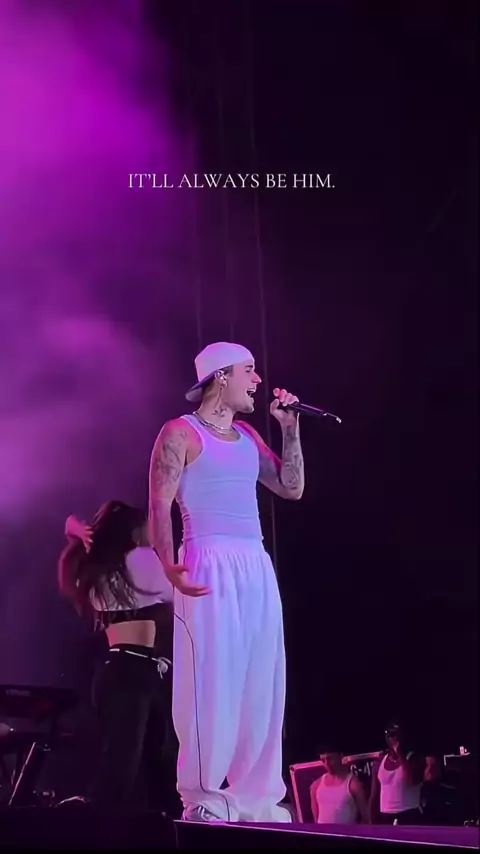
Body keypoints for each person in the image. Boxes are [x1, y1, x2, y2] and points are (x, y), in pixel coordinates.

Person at [148, 341, 305, 823]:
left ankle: (255, 796)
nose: (257, 380)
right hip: (208, 559)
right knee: (211, 677)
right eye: (249, 370)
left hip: (254, 562)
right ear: (220, 376)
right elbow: (158, 504)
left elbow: (291, 488)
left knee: (262, 678)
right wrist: (168, 563)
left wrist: (290, 429)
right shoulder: (180, 432)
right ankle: (204, 794)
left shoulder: (249, 437)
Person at [58, 500, 180, 815]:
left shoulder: (101, 568)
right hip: (132, 671)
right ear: (133, 530)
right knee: (127, 765)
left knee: (150, 759)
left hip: (131, 669)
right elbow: (177, 591)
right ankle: (99, 825)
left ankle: (150, 823)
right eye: (146, 524)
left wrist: (78, 530)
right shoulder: (139, 561)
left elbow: (72, 526)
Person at [369, 722, 425, 824]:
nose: (394, 738)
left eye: (397, 734)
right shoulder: (379, 762)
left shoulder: (414, 759)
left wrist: (399, 753)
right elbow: (374, 796)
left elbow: (410, 781)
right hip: (386, 815)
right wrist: (371, 821)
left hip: (408, 813)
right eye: (390, 735)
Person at [310, 747, 369, 824]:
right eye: (323, 760)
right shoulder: (316, 785)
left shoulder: (353, 784)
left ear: (340, 756)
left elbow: (365, 816)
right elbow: (316, 819)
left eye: (330, 759)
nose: (327, 764)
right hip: (323, 831)